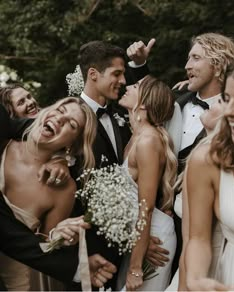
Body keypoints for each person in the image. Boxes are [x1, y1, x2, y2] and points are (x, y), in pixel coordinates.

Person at [126, 32, 234, 276]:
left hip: (207, 230)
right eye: (188, 58)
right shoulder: (176, 99)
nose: (187, 66)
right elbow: (144, 97)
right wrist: (140, 65)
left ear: (218, 64)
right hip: (156, 224)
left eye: (196, 58)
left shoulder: (230, 116)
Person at [70, 40, 168, 290]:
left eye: (124, 74)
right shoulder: (70, 120)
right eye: (117, 73)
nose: (124, 81)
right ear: (93, 74)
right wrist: (132, 240)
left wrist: (139, 241)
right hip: (91, 251)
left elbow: (151, 100)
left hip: (130, 245)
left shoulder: (122, 115)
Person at [0, 103, 117, 290]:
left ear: (71, 145)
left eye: (71, 124)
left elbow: (49, 246)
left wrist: (59, 235)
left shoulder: (63, 188)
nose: (61, 119)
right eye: (60, 110)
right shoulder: (3, 146)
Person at [117, 75, 177, 291]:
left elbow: (146, 207)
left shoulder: (148, 140)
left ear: (143, 102)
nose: (128, 86)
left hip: (155, 239)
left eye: (135, 86)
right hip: (139, 238)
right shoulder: (136, 137)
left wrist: (135, 267)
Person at [185, 59, 234, 290]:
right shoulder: (207, 159)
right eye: (227, 99)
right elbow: (198, 237)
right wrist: (196, 279)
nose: (231, 112)